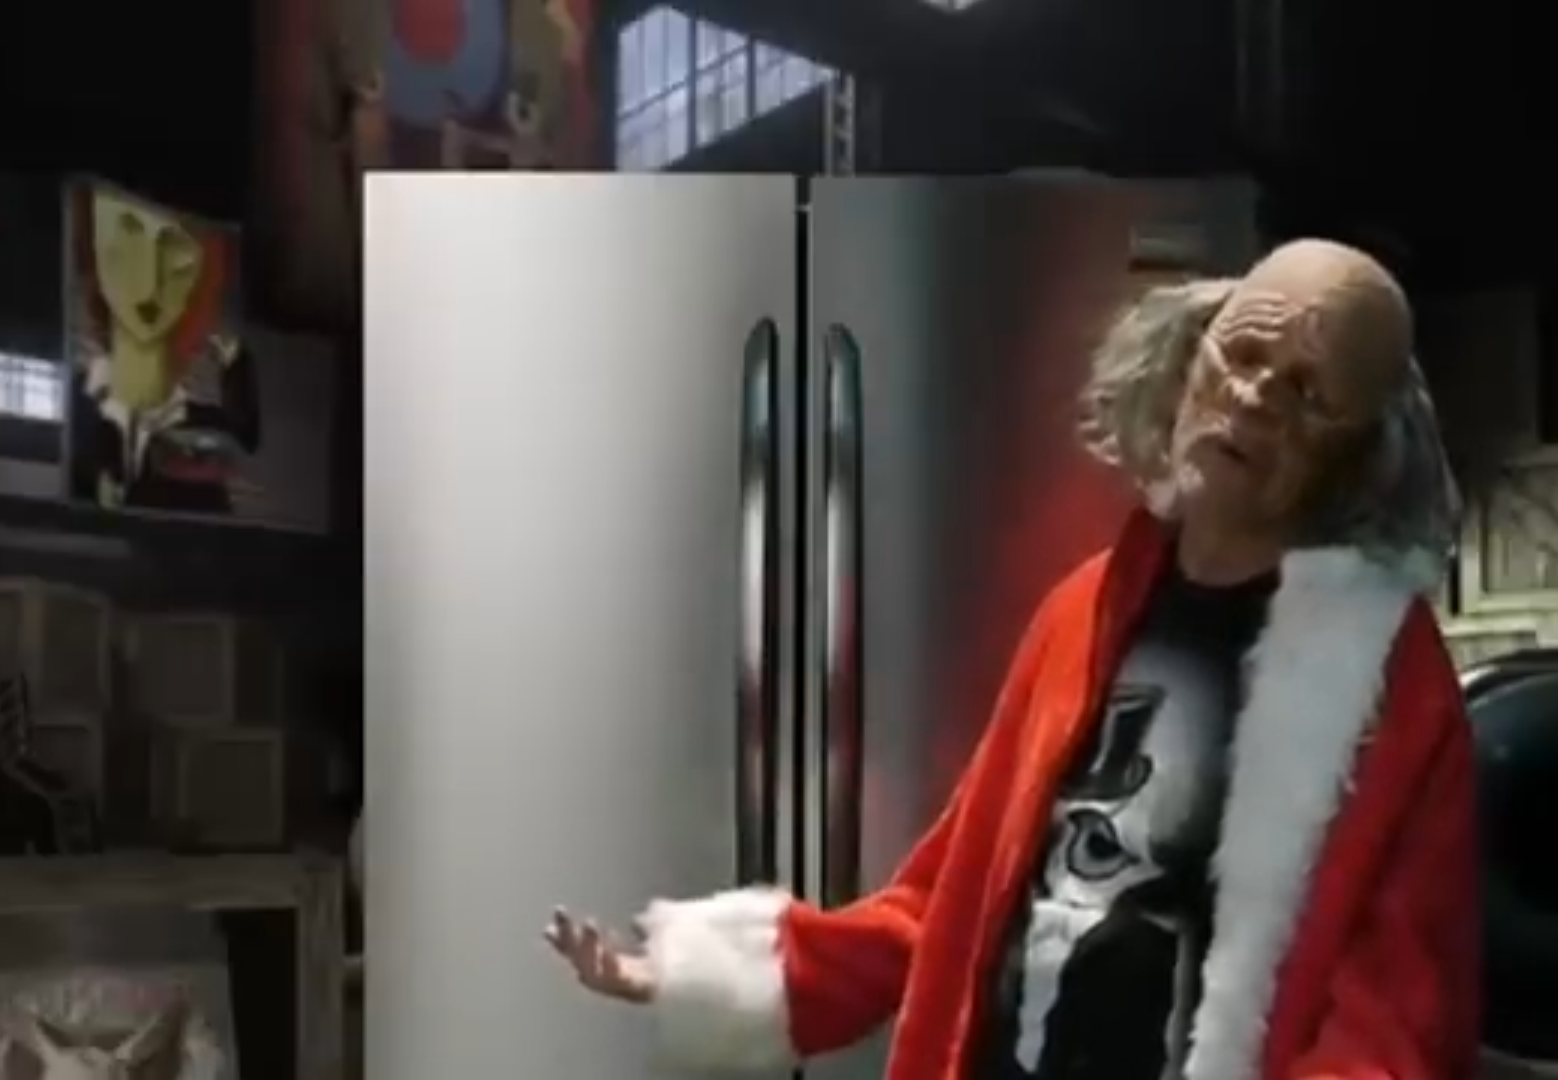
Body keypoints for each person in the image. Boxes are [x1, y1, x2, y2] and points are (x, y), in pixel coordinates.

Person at [545, 239, 1478, 1080]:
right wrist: (709, 974)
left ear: (1359, 453)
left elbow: (1399, 1021)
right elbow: (952, 902)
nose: (1253, 400)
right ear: (1190, 355)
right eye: (1241, 355)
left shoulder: (1388, 677)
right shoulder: (1085, 609)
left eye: (1308, 396)